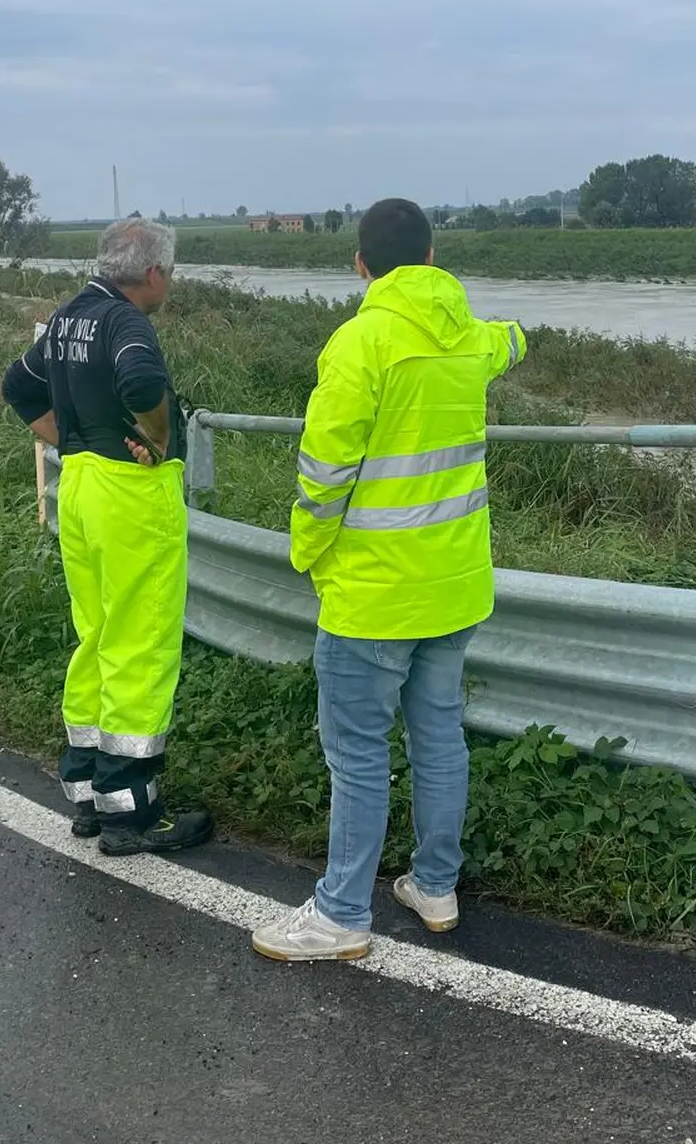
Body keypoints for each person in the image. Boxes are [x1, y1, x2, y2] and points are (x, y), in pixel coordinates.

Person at [251, 198, 527, 961]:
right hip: (455, 587)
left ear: (361, 265)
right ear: (433, 259)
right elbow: (512, 342)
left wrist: (307, 551)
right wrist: (516, 337)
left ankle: (341, 915)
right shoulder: (471, 338)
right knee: (438, 737)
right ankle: (435, 886)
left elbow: (324, 471)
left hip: (373, 595)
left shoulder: (359, 343)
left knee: (359, 754)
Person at [2, 215, 213, 856]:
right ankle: (134, 810)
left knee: (96, 637)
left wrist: (62, 438)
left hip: (80, 488)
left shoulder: (69, 315)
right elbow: (144, 383)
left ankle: (90, 792)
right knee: (140, 643)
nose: (168, 286)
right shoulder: (127, 323)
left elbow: (18, 386)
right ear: (153, 273)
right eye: (168, 275)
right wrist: (158, 439)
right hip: (128, 498)